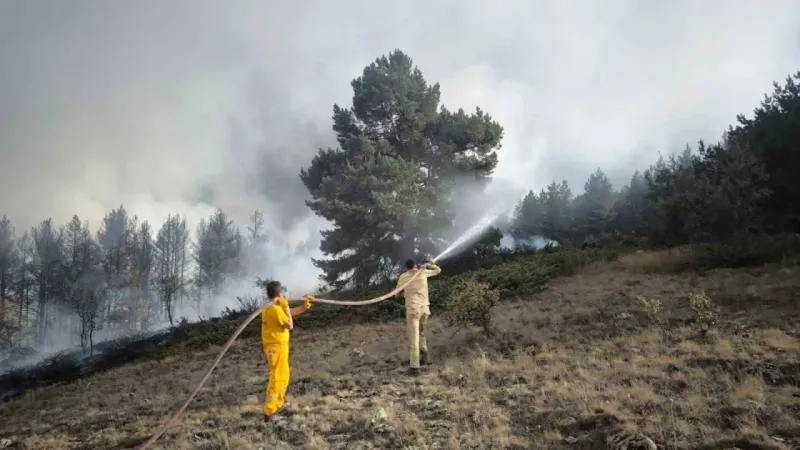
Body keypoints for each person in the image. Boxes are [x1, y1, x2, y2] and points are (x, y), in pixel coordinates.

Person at [261, 280, 313, 421]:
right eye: (282, 293)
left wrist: (304, 307)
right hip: (275, 348)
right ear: (279, 293)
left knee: (283, 376)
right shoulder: (274, 309)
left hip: (279, 347)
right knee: (277, 378)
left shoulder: (273, 307)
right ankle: (269, 412)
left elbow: (288, 313)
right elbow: (289, 325)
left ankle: (278, 405)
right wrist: (285, 307)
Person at [396, 259, 442, 375]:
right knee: (421, 333)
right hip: (425, 309)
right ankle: (425, 356)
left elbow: (396, 293)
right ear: (416, 265)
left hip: (413, 310)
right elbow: (438, 270)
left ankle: (415, 368)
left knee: (414, 338)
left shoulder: (403, 277)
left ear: (406, 267)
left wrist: (403, 290)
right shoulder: (423, 272)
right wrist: (429, 264)